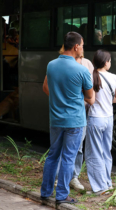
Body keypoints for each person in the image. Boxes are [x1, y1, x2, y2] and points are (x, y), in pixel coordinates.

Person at [40, 32, 94, 205]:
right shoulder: (82, 70)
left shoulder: (51, 65)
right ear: (76, 46)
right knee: (69, 158)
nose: (83, 49)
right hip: (75, 121)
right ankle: (62, 195)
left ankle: (45, 192)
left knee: (53, 156)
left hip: (56, 119)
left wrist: (59, 96)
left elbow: (46, 88)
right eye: (83, 45)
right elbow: (91, 98)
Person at [85, 50, 116, 195]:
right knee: (106, 152)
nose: (110, 63)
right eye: (110, 60)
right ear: (105, 62)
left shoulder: (90, 76)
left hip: (96, 118)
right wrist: (107, 101)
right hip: (109, 119)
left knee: (94, 153)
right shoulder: (114, 77)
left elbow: (89, 99)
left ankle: (99, 187)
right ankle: (107, 183)